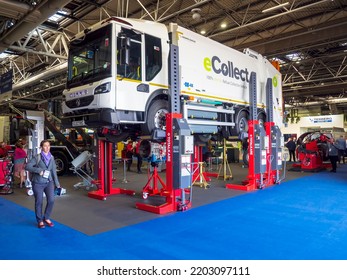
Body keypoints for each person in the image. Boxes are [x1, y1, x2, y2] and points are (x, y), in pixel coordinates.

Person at [25, 140, 61, 229]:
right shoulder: (37, 157)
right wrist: (38, 171)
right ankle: (40, 220)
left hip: (49, 182)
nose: (47, 148)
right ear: (41, 147)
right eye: (45, 146)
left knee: (51, 200)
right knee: (39, 202)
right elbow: (27, 166)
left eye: (49, 146)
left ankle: (47, 217)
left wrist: (57, 183)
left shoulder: (51, 157)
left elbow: (53, 171)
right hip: (38, 183)